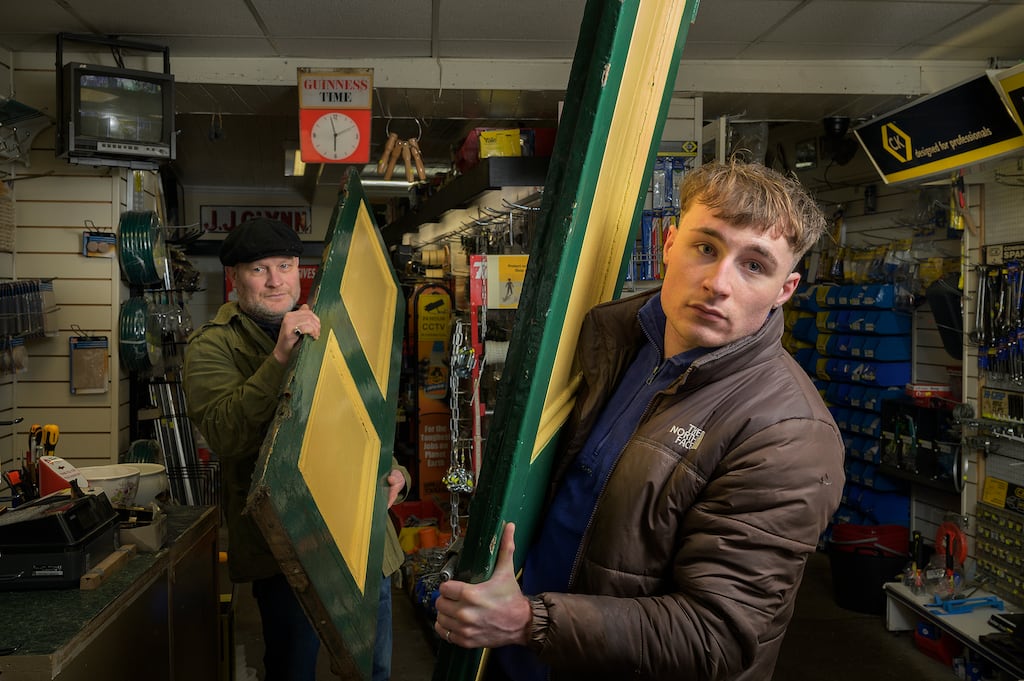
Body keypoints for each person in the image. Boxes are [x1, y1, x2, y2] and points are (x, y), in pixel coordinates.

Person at [433, 160, 846, 681]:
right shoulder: (614, 340)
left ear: (785, 290)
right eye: (706, 247)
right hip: (520, 657)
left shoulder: (788, 435)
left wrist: (528, 622)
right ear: (670, 243)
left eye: (755, 265)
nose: (719, 282)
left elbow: (715, 637)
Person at [183, 217, 409, 681]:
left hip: (360, 538)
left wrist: (396, 472)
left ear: (299, 269)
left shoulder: (332, 324)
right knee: (292, 670)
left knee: (375, 669)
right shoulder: (211, 346)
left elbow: (364, 411)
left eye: (284, 265)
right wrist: (280, 358)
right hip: (284, 545)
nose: (274, 280)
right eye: (259, 269)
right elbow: (225, 433)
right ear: (235, 277)